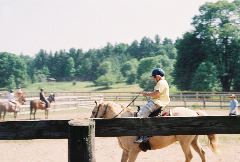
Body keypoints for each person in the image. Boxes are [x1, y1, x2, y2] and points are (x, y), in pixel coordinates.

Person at [135, 68, 170, 143]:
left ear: (157, 76)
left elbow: (156, 94)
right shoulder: (163, 82)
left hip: (157, 103)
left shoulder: (161, 83)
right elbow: (156, 94)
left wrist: (146, 94)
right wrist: (148, 94)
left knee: (140, 114)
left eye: (154, 77)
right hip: (157, 102)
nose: (153, 79)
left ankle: (143, 136)